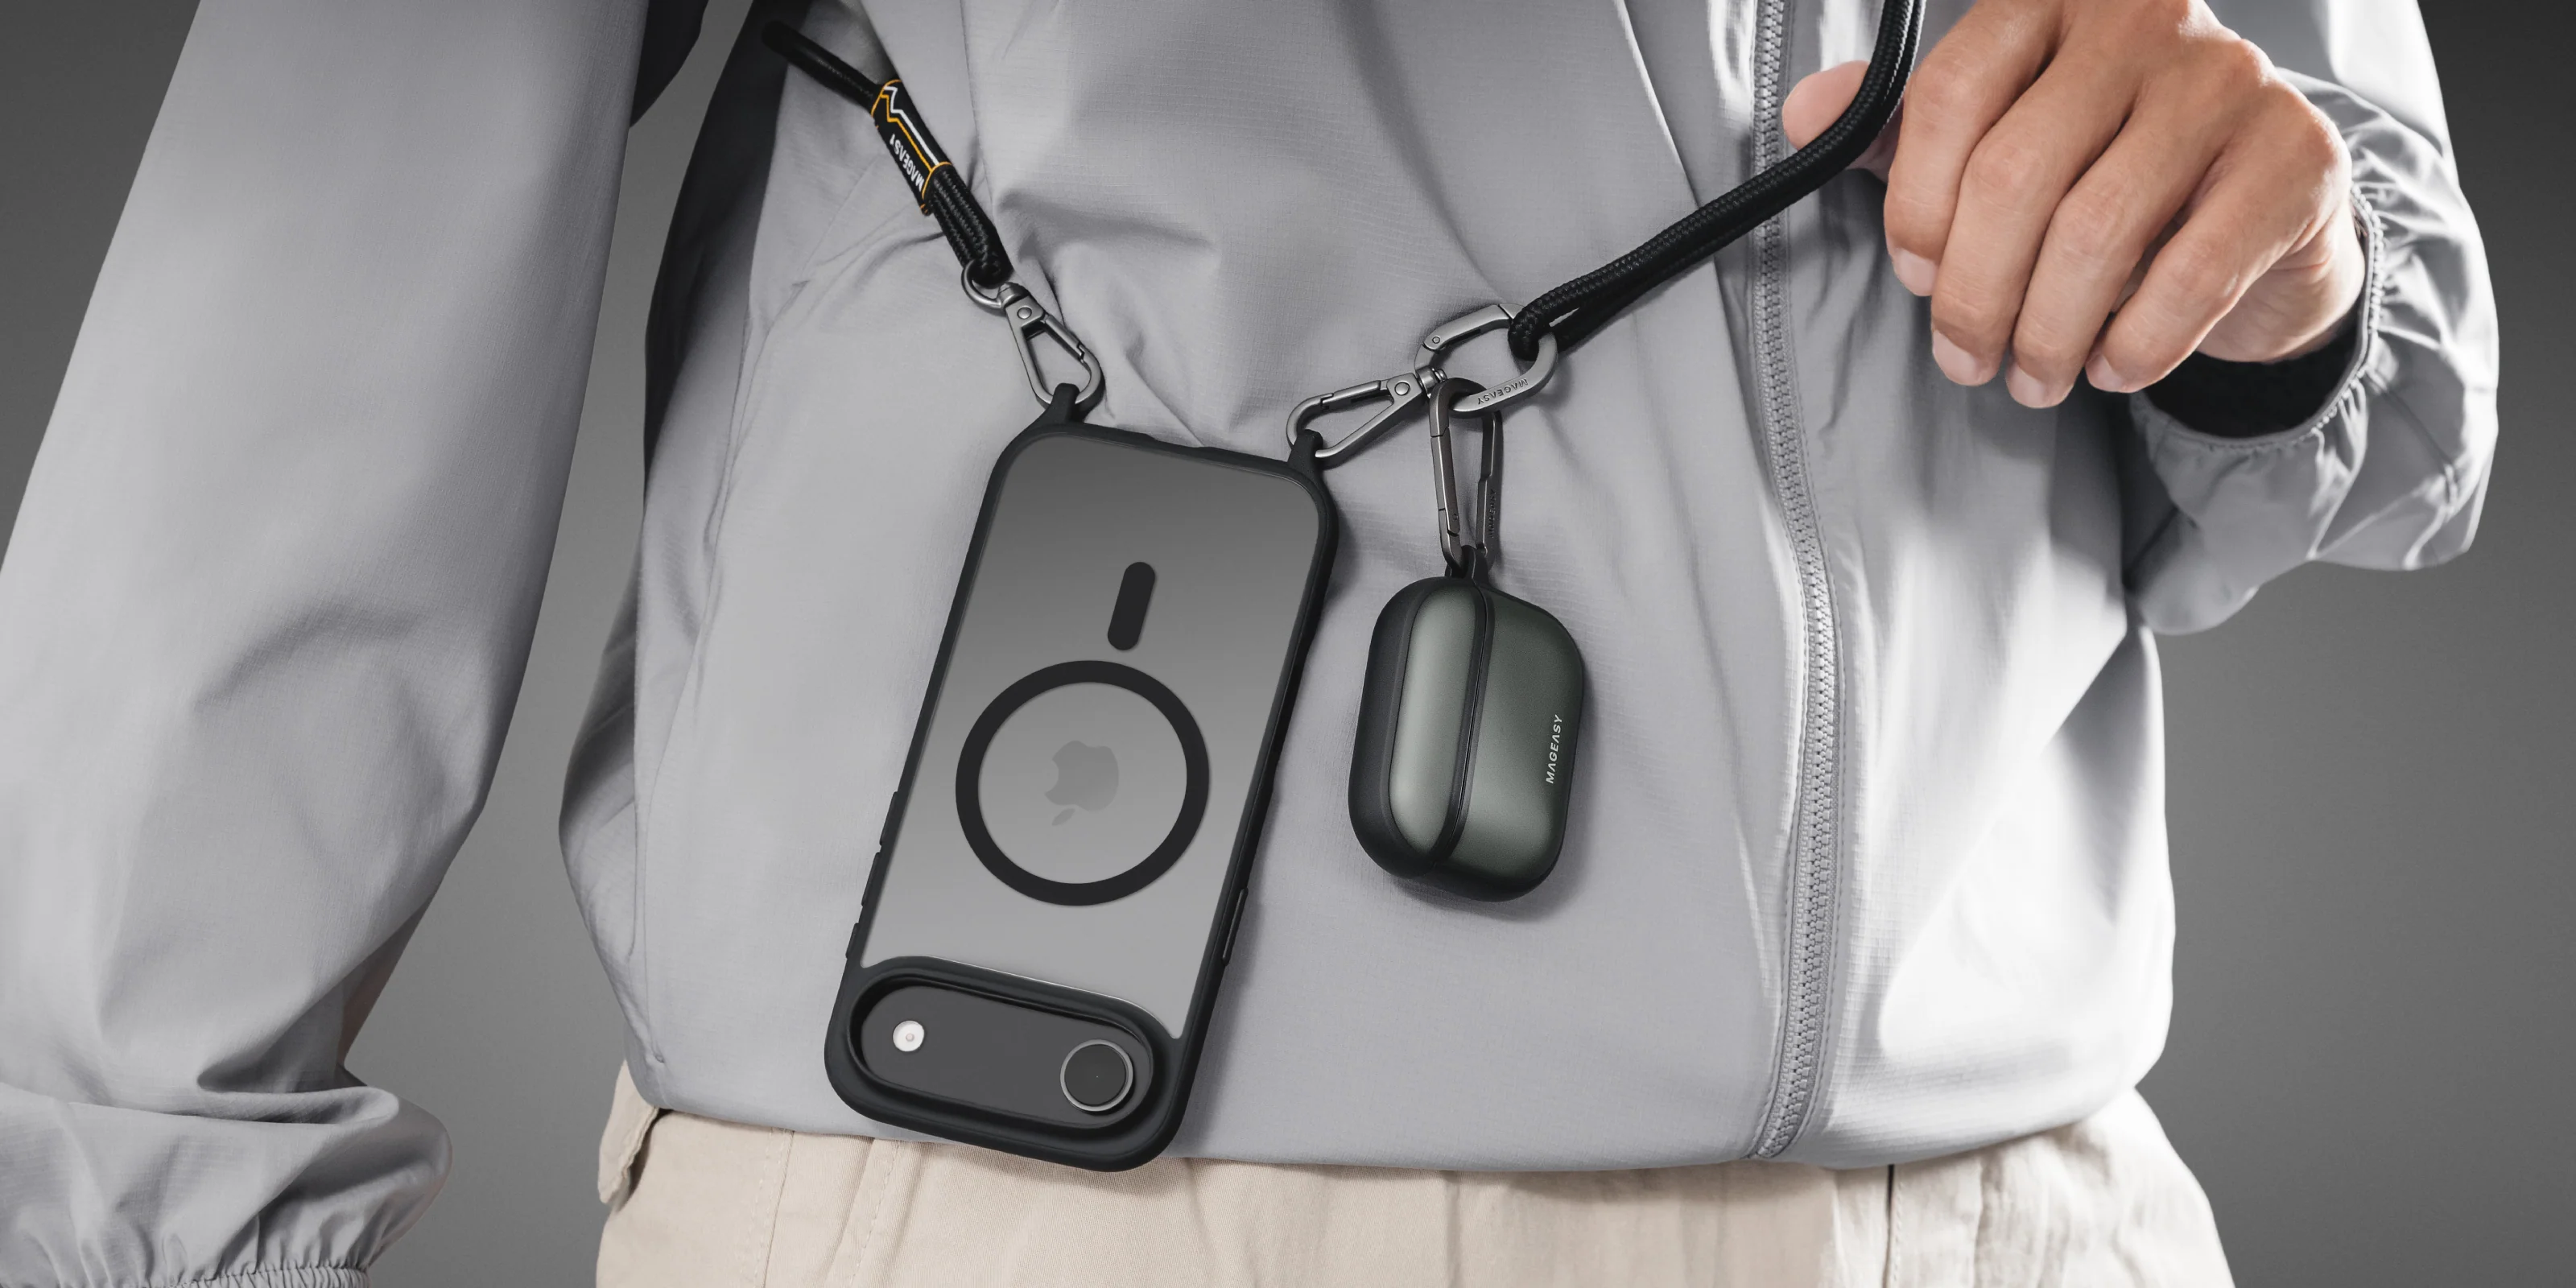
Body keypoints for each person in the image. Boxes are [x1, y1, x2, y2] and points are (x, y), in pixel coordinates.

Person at [0, 0, 2491, 1283]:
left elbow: (2391, 407)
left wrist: (2281, 285)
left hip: (2032, 1208)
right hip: (1072, 1216)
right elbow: (323, 222)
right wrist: (133, 1208)